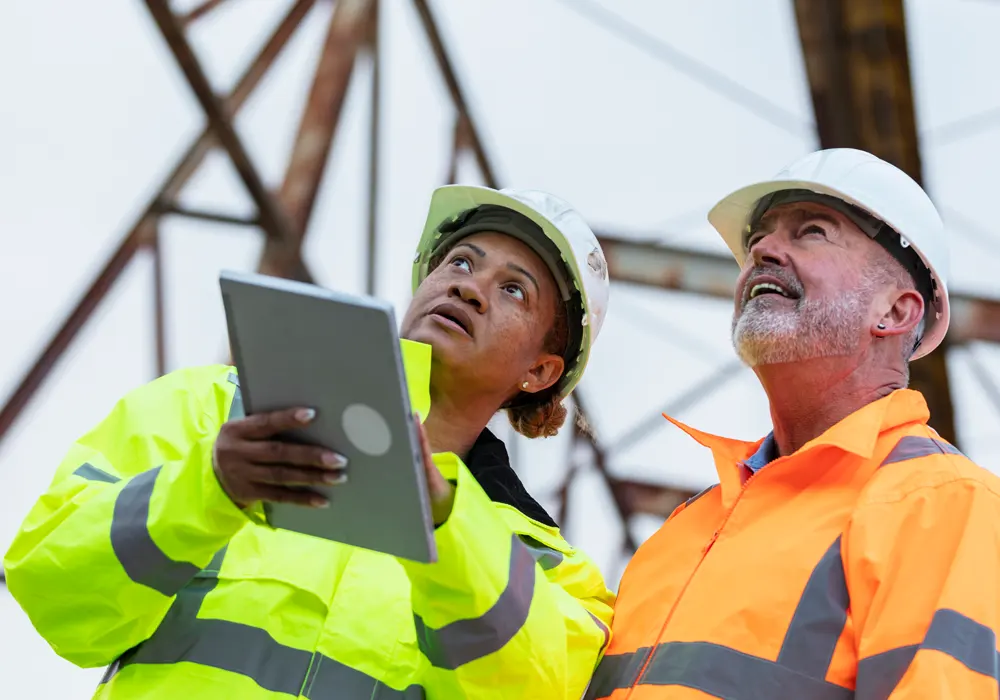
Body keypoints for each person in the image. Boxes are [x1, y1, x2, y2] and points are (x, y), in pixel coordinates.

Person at [4, 185, 615, 699]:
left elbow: (535, 687)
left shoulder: (553, 574)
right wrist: (208, 489)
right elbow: (52, 588)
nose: (469, 287)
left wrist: (445, 525)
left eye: (514, 290)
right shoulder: (208, 411)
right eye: (459, 262)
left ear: (540, 372)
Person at [585, 148, 1000, 699]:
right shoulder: (685, 531)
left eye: (810, 231)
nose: (762, 249)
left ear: (896, 312)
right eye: (759, 237)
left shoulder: (939, 502)